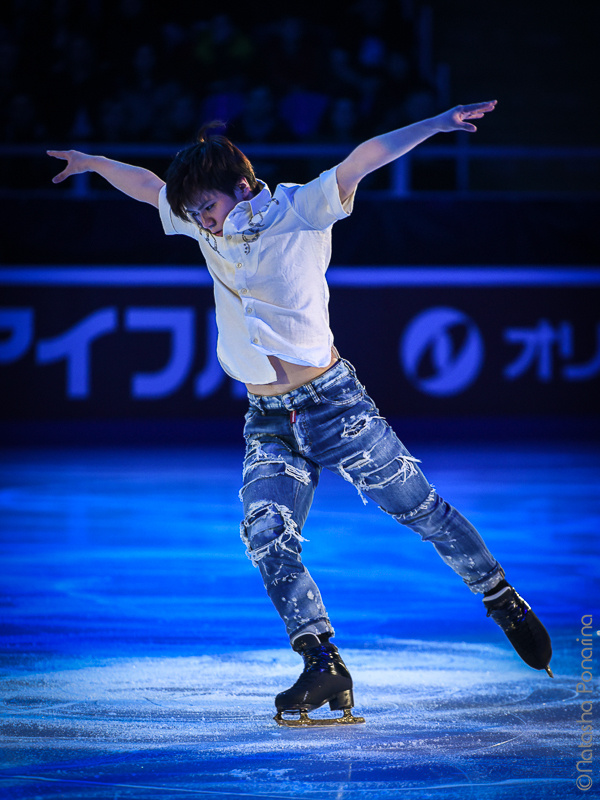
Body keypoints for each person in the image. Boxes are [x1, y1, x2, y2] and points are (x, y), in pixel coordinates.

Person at [48, 100, 553, 728]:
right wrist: (94, 162)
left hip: (335, 406)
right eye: (194, 214)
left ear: (242, 186)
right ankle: (322, 661)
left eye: (207, 207)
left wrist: (435, 125)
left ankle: (501, 597)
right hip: (267, 418)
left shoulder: (301, 207)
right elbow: (150, 188)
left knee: (421, 509)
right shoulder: (202, 224)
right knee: (265, 531)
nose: (202, 222)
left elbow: (366, 156)